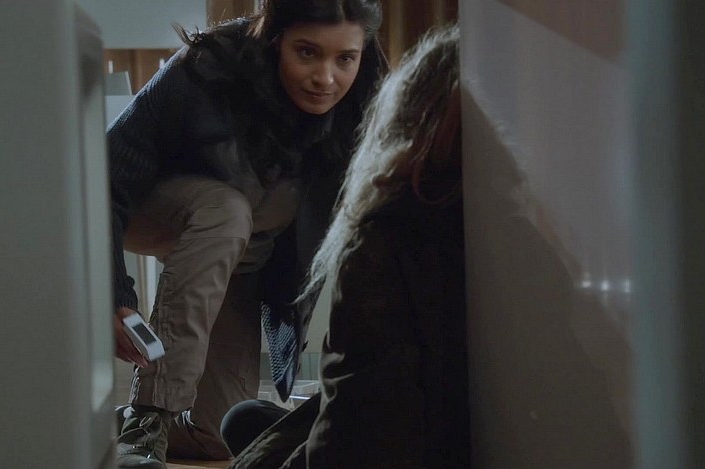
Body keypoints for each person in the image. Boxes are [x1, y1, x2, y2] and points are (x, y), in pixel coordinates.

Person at [107, 1, 387, 467]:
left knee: (218, 436)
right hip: (159, 210)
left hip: (243, 252)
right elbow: (105, 180)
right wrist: (115, 295)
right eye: (307, 52)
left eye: (345, 58)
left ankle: (110, 424)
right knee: (226, 210)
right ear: (274, 40)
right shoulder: (204, 67)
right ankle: (146, 420)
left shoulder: (369, 95)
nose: (325, 78)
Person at [220, 24, 468, 468]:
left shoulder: (387, 242)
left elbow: (353, 441)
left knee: (247, 432)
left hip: (413, 446)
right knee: (246, 419)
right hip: (441, 429)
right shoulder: (505, 227)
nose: (324, 78)